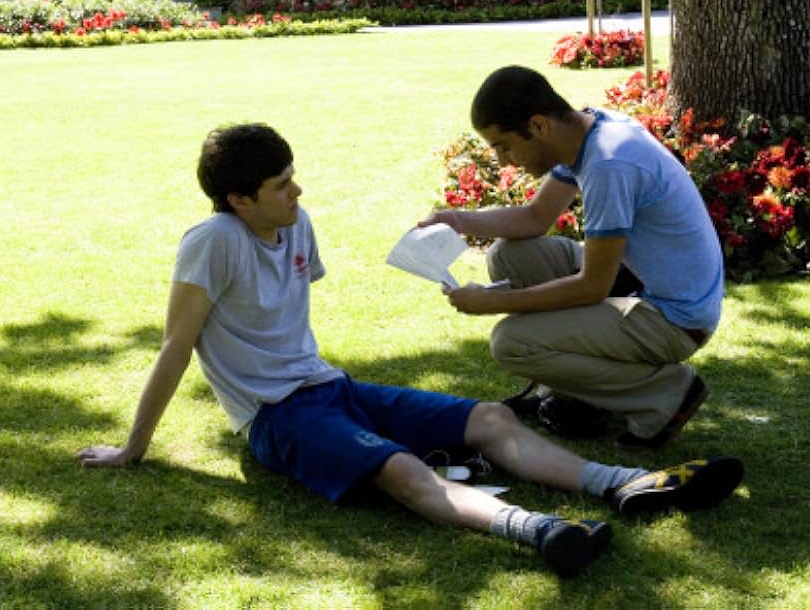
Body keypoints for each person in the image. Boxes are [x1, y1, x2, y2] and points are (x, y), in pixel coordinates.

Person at [77, 123, 743, 578]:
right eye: (281, 186)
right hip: (276, 417)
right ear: (239, 200)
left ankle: (623, 484)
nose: (298, 192)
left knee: (491, 418)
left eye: (292, 178)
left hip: (330, 387)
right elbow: (175, 345)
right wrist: (134, 447)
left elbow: (287, 318)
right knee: (398, 469)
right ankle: (536, 529)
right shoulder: (211, 241)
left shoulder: (297, 223)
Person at [419, 65, 726, 450]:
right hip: (636, 284)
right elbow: (535, 218)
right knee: (510, 258)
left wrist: (490, 302)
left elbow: (592, 287)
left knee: (511, 343)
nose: (504, 162)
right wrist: (456, 219)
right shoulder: (589, 129)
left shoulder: (609, 163)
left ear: (538, 125)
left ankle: (665, 395)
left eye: (504, 146)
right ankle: (573, 394)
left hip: (673, 318)